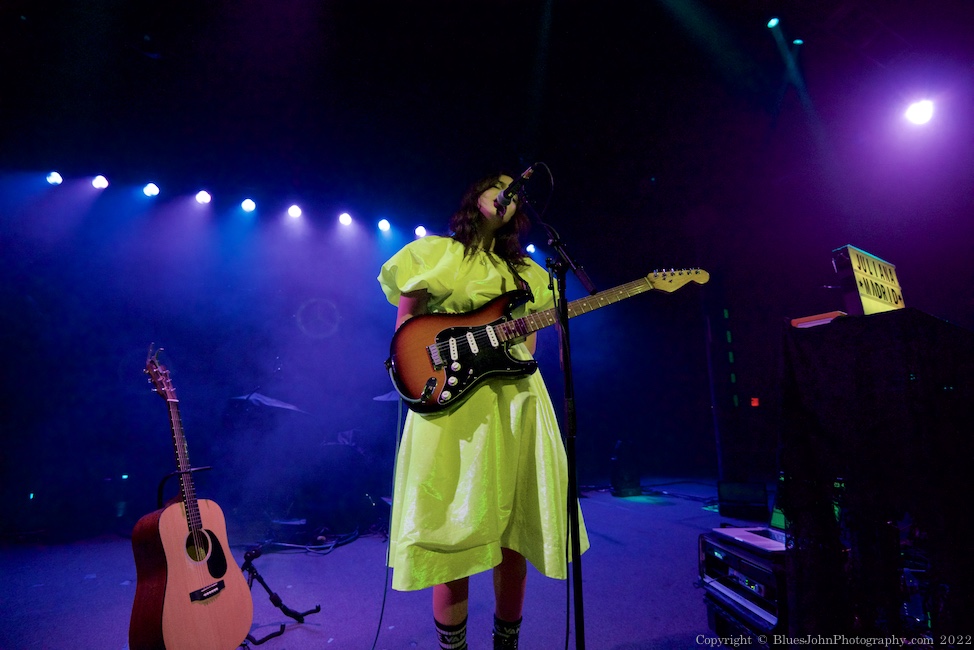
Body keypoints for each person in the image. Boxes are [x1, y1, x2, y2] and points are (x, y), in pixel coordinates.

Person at [377, 172, 589, 650]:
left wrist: (507, 340)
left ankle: (505, 642)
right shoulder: (434, 253)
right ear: (476, 196)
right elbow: (406, 331)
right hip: (451, 406)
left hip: (515, 404)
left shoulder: (530, 275)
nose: (506, 195)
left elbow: (527, 348)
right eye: (498, 186)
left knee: (512, 529)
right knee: (451, 530)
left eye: (514, 195)